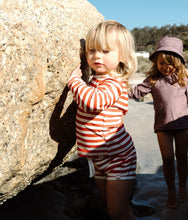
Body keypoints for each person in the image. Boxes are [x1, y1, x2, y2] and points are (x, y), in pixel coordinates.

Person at [128, 36, 188, 208]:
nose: (165, 67)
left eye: (170, 64)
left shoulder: (184, 80)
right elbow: (135, 93)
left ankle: (182, 188)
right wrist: (113, 94)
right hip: (163, 127)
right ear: (156, 63)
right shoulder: (153, 80)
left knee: (182, 158)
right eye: (161, 63)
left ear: (178, 63)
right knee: (167, 159)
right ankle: (171, 191)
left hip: (182, 126)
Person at [68, 20, 137, 220]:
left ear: (122, 55)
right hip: (98, 158)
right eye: (92, 50)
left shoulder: (115, 83)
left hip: (119, 158)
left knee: (117, 211)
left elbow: (94, 101)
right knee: (112, 207)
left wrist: (74, 80)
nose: (97, 56)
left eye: (106, 51)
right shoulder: (96, 80)